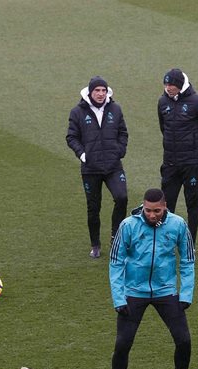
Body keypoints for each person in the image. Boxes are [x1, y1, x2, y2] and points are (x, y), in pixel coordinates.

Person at [106, 189, 198, 369]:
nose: (152, 215)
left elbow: (188, 259)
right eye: (148, 210)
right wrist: (119, 297)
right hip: (134, 292)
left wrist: (185, 294)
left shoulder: (178, 225)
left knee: (184, 340)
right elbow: (116, 262)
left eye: (156, 211)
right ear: (143, 207)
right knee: (122, 345)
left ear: (165, 206)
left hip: (165, 290)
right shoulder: (128, 225)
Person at [66, 76, 129, 258]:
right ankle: (95, 244)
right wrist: (83, 155)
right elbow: (71, 137)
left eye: (103, 90)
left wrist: (119, 151)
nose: (101, 94)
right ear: (90, 92)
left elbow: (123, 133)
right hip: (91, 169)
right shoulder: (77, 112)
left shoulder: (115, 109)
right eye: (97, 91)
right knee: (93, 207)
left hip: (113, 166)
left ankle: (116, 237)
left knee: (122, 197)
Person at [159, 68, 198, 240]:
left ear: (180, 85)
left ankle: (191, 241)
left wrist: (195, 148)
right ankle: (166, 240)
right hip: (170, 162)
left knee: (192, 201)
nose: (168, 88)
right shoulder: (162, 102)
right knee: (166, 204)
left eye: (172, 85)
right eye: (166, 84)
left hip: (192, 163)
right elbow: (164, 128)